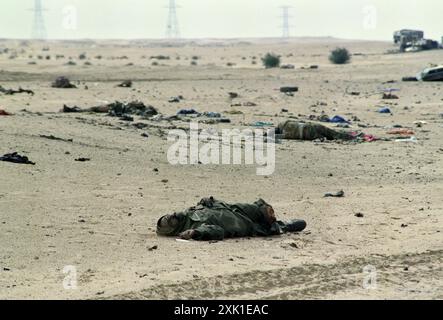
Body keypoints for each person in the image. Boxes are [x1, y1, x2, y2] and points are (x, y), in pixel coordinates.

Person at [156, 197, 307, 241]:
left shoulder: (189, 212)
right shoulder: (195, 225)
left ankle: (270, 216)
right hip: (241, 224)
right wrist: (196, 233)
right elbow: (216, 231)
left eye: (168, 215)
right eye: (169, 221)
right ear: (173, 229)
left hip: (234, 209)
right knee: (269, 228)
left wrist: (207, 200)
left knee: (262, 209)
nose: (172, 216)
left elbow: (207, 203)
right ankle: (284, 226)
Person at [277, 120, 354, 141]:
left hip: (309, 134)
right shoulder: (284, 123)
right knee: (333, 134)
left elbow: (280, 136)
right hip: (311, 126)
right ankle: (351, 136)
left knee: (331, 137)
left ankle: (351, 137)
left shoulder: (285, 134)